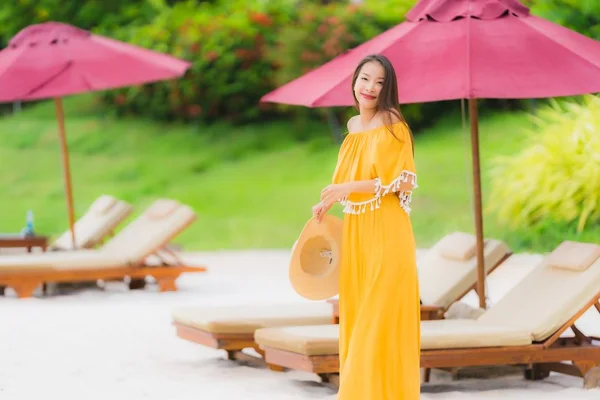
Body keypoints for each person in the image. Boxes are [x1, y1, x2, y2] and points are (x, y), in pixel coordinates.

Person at [312, 54, 420, 399]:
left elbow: (400, 183)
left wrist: (346, 189)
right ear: (354, 81)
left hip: (387, 232)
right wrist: (330, 199)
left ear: (389, 90)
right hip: (357, 230)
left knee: (377, 317)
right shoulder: (353, 127)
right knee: (358, 316)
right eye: (365, 79)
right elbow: (349, 180)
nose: (371, 88)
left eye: (380, 82)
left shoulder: (393, 124)